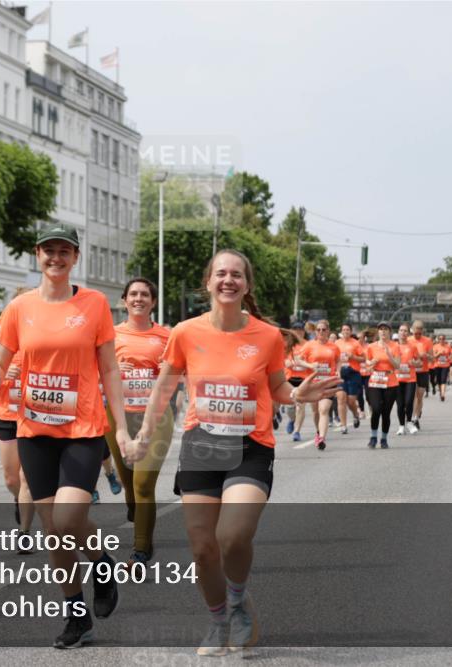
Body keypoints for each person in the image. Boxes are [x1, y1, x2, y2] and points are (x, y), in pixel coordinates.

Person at [134, 249, 340, 655]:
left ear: (247, 285)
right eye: (221, 274)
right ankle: (218, 620)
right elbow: (164, 386)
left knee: (232, 536)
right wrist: (143, 434)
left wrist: (297, 394)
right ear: (208, 281)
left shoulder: (265, 336)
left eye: (237, 275)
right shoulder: (185, 332)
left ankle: (238, 597)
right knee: (202, 546)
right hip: (201, 445)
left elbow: (278, 388)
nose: (229, 281)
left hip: (251, 445)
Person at [0, 225, 132, 649]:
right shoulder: (20, 307)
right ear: (37, 255)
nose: (56, 258)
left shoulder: (94, 304)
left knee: (67, 521)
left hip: (81, 429)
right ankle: (76, 615)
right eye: (49, 251)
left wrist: (119, 425)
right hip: (34, 431)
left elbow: (109, 370)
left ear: (75, 257)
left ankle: (102, 565)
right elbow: (0, 357)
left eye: (64, 251)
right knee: (54, 531)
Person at [104, 277, 175, 568]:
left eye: (145, 294)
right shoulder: (109, 335)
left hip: (155, 417)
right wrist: (112, 370)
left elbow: (173, 378)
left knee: (144, 483)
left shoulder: (165, 337)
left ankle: (141, 550)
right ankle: (135, 511)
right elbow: (93, 373)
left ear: (153, 302)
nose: (138, 298)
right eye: (133, 294)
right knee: (129, 485)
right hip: (117, 416)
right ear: (124, 300)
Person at [0, 295, 36, 547]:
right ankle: (20, 500)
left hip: (34, 415)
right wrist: (4, 372)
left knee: (26, 477)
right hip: (6, 413)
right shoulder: (0, 342)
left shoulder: (41, 337)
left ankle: (24, 533)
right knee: (11, 478)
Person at [298, 320, 340, 450]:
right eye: (318, 330)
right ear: (315, 331)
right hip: (313, 383)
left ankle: (322, 437)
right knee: (316, 411)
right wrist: (310, 365)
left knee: (324, 409)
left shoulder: (334, 347)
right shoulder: (309, 345)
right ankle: (318, 432)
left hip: (328, 382)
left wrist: (338, 370)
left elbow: (338, 360)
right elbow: (298, 359)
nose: (321, 332)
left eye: (323, 330)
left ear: (328, 331)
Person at [363, 323, 401, 449]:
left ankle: (384, 439)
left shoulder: (395, 346)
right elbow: (367, 362)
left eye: (385, 329)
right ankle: (373, 437)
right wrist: (371, 362)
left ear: (389, 332)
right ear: (378, 332)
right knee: (376, 409)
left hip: (390, 381)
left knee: (386, 413)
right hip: (375, 380)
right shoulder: (371, 346)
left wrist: (389, 355)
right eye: (380, 329)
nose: (383, 332)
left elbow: (397, 366)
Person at [335, 323, 365, 434]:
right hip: (341, 374)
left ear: (351, 332)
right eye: (344, 330)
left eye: (348, 330)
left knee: (351, 401)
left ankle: (355, 415)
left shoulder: (355, 343)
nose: (346, 331)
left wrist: (353, 357)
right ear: (341, 332)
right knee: (341, 399)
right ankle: (343, 425)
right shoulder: (336, 343)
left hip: (353, 373)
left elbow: (363, 359)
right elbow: (333, 358)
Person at [284, 322, 310, 441]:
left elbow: (313, 360)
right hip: (289, 378)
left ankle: (297, 431)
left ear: (304, 331)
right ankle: (292, 420)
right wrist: (286, 363)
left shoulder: (308, 345)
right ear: (291, 330)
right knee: (290, 407)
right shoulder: (287, 344)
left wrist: (307, 365)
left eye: (300, 329)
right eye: (295, 329)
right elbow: (280, 358)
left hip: (304, 379)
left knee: (300, 405)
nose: (298, 331)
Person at [393, 324, 419, 436]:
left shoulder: (412, 346)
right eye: (401, 330)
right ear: (398, 332)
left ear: (408, 333)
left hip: (410, 379)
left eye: (405, 331)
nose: (403, 333)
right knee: (400, 404)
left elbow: (419, 362)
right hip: (397, 379)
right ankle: (401, 426)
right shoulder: (393, 346)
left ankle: (409, 422)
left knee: (408, 402)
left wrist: (414, 363)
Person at [409, 321, 432, 430]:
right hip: (411, 372)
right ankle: (414, 417)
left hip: (423, 371)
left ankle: (415, 417)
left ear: (422, 331)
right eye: (415, 333)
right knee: (412, 397)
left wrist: (425, 355)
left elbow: (432, 358)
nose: (417, 335)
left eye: (419, 333)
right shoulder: (408, 340)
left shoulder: (427, 341)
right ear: (412, 330)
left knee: (419, 396)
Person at [432, 335, 452, 402]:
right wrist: (439, 353)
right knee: (439, 381)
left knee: (443, 380)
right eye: (440, 339)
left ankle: (443, 394)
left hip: (445, 365)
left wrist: (449, 357)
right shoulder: (435, 346)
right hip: (437, 365)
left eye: (443, 339)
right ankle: (441, 392)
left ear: (445, 339)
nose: (442, 340)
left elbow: (451, 354)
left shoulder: (448, 346)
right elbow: (434, 357)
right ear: (438, 340)